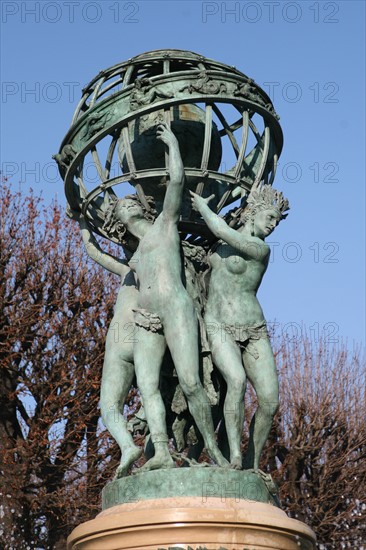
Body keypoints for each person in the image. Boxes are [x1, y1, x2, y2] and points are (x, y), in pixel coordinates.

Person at [105, 122, 228, 470]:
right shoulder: (134, 257)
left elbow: (176, 182)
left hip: (176, 309)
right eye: (119, 211)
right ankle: (160, 451)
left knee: (190, 383)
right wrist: (84, 227)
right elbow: (99, 251)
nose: (123, 209)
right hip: (146, 317)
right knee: (147, 388)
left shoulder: (165, 223)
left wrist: (173, 144)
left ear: (138, 209)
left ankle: (214, 452)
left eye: (127, 206)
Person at [190, 184, 289, 470]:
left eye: (277, 222)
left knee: (270, 401)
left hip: (254, 328)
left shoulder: (260, 248)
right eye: (269, 217)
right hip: (219, 324)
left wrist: (204, 207)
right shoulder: (216, 243)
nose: (273, 225)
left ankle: (252, 462)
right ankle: (234, 456)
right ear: (253, 213)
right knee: (235, 381)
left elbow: (221, 230)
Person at [69, 211, 142, 478]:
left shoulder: (127, 269)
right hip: (150, 337)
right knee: (154, 396)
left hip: (122, 338)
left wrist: (82, 221)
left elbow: (94, 251)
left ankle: (127, 446)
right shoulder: (163, 269)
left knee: (110, 405)